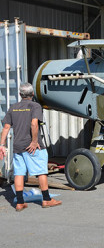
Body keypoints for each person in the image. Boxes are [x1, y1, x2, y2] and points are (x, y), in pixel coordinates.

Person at [0, 83, 62, 211]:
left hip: (18, 146)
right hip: (31, 146)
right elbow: (34, 124)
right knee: (41, 172)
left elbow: (6, 127)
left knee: (19, 173)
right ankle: (46, 200)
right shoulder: (35, 106)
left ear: (20, 94)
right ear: (32, 94)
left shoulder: (13, 107)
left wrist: (2, 144)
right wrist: (34, 142)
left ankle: (20, 203)